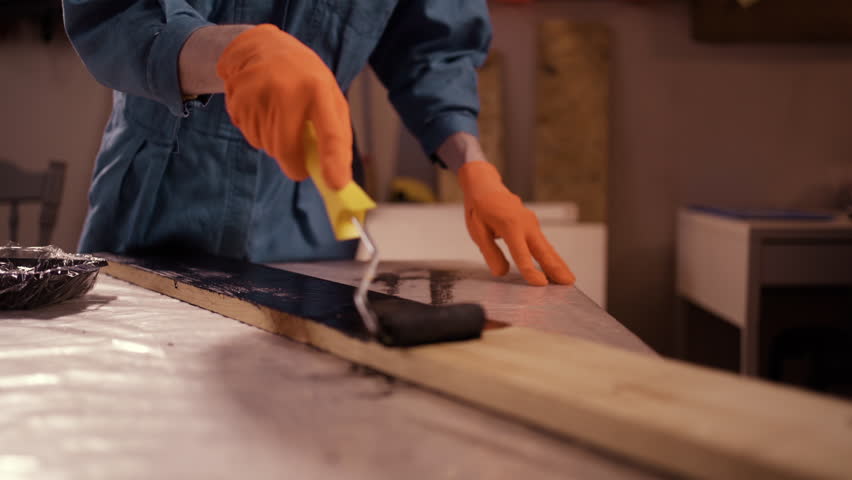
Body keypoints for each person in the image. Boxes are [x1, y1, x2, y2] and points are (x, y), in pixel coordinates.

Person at [62, 1, 574, 286]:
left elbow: (431, 49)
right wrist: (233, 55)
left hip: (311, 222)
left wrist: (474, 167)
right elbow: (120, 11)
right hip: (157, 202)